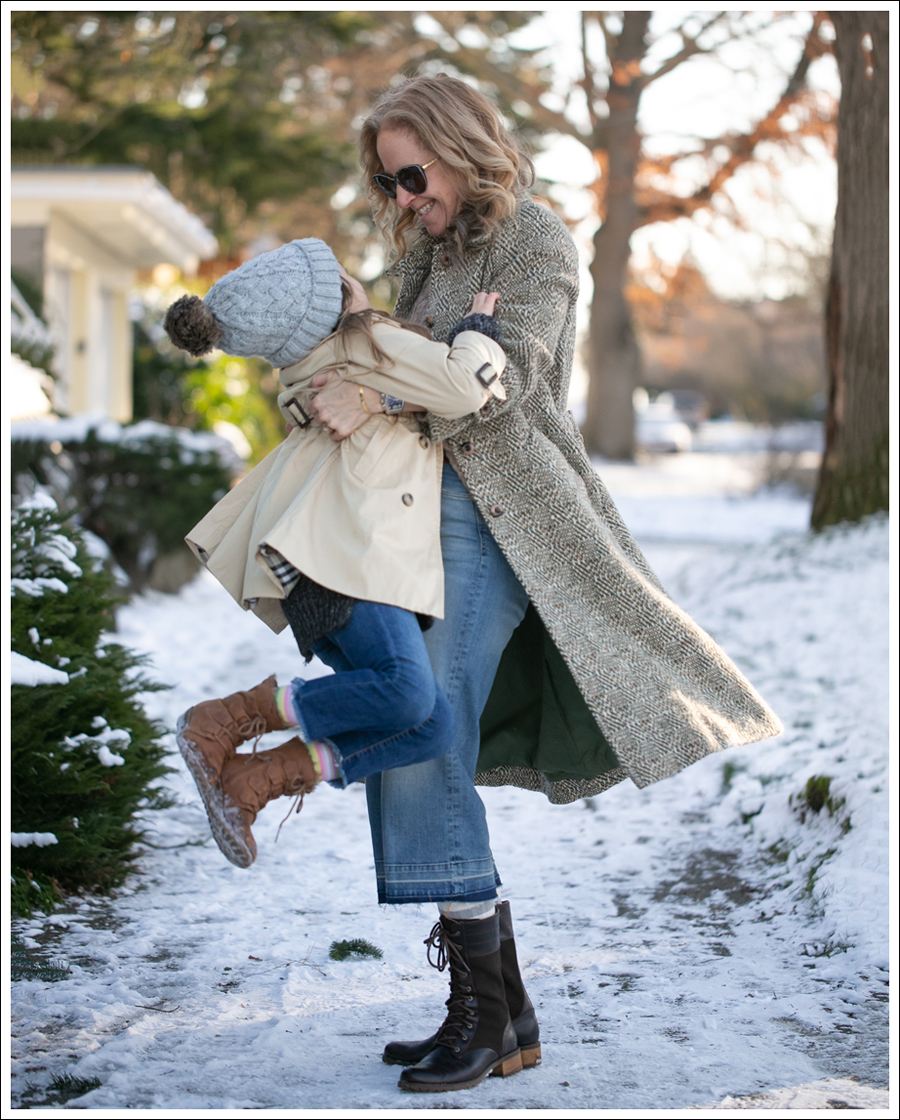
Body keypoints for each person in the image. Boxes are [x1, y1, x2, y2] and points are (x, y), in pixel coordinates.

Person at [307, 74, 783, 1094]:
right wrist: (369, 342)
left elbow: (502, 380)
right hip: (413, 524)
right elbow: (420, 372)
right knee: (421, 728)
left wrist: (398, 374)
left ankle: (482, 1015)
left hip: (505, 522)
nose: (401, 199)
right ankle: (503, 1012)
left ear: (461, 148)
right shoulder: (427, 256)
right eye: (387, 183)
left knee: (424, 720)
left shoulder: (537, 241)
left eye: (412, 176)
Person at [162, 237, 509, 874]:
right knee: (405, 693)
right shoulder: (368, 344)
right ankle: (225, 719)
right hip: (350, 556)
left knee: (429, 725)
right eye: (339, 277)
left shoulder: (308, 367)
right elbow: (465, 388)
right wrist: (478, 333)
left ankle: (254, 780)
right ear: (334, 301)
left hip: (315, 566)